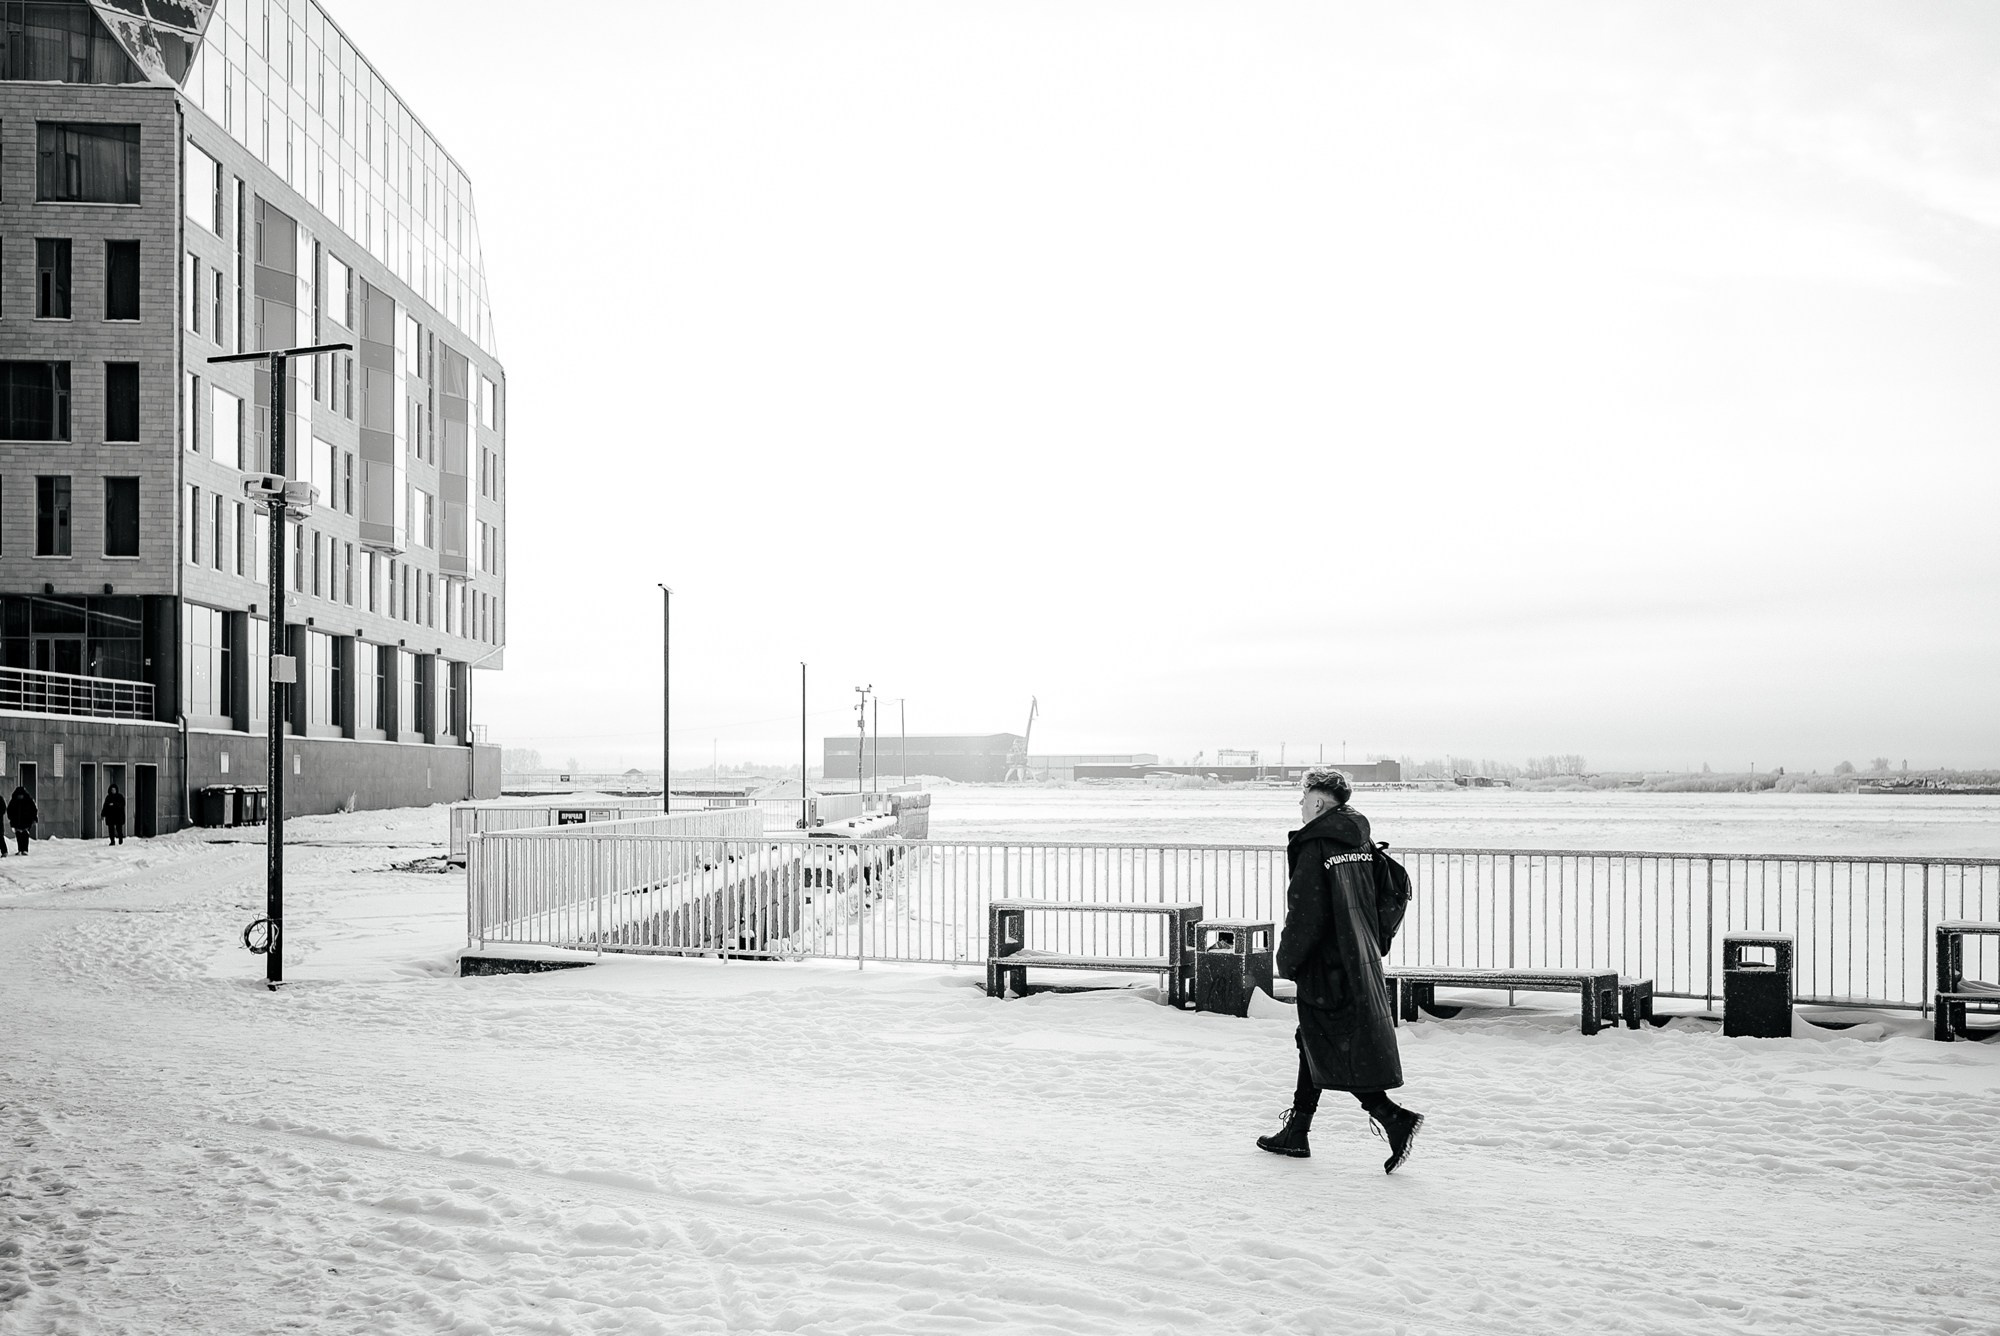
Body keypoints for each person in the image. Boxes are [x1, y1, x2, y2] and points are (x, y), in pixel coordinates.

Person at [1259, 767, 1425, 1172]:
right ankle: (1297, 1132)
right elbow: (1387, 893)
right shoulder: (1360, 840)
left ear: (1318, 802)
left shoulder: (1315, 845)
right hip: (1357, 956)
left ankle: (1393, 1117)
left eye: (1303, 799)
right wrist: (1371, 943)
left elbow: (1306, 914)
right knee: (1313, 1039)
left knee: (1325, 1041)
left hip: (1325, 962)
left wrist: (1288, 960)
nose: (1300, 806)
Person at [7, 785, 38, 857]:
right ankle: (20, 850)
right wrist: (11, 818)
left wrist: (34, 818)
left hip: (25, 821)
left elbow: (34, 810)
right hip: (18, 821)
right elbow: (9, 810)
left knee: (24, 835)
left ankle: (24, 850)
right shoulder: (15, 801)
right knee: (19, 836)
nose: (20, 796)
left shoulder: (28, 801)